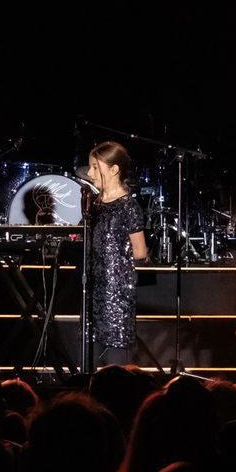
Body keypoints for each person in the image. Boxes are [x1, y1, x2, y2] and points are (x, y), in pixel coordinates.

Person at [84, 140, 148, 367]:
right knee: (90, 351)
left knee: (115, 356)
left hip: (117, 292)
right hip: (93, 288)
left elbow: (140, 251)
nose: (90, 173)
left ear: (114, 169)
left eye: (95, 167)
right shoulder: (94, 204)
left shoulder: (128, 206)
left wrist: (117, 265)